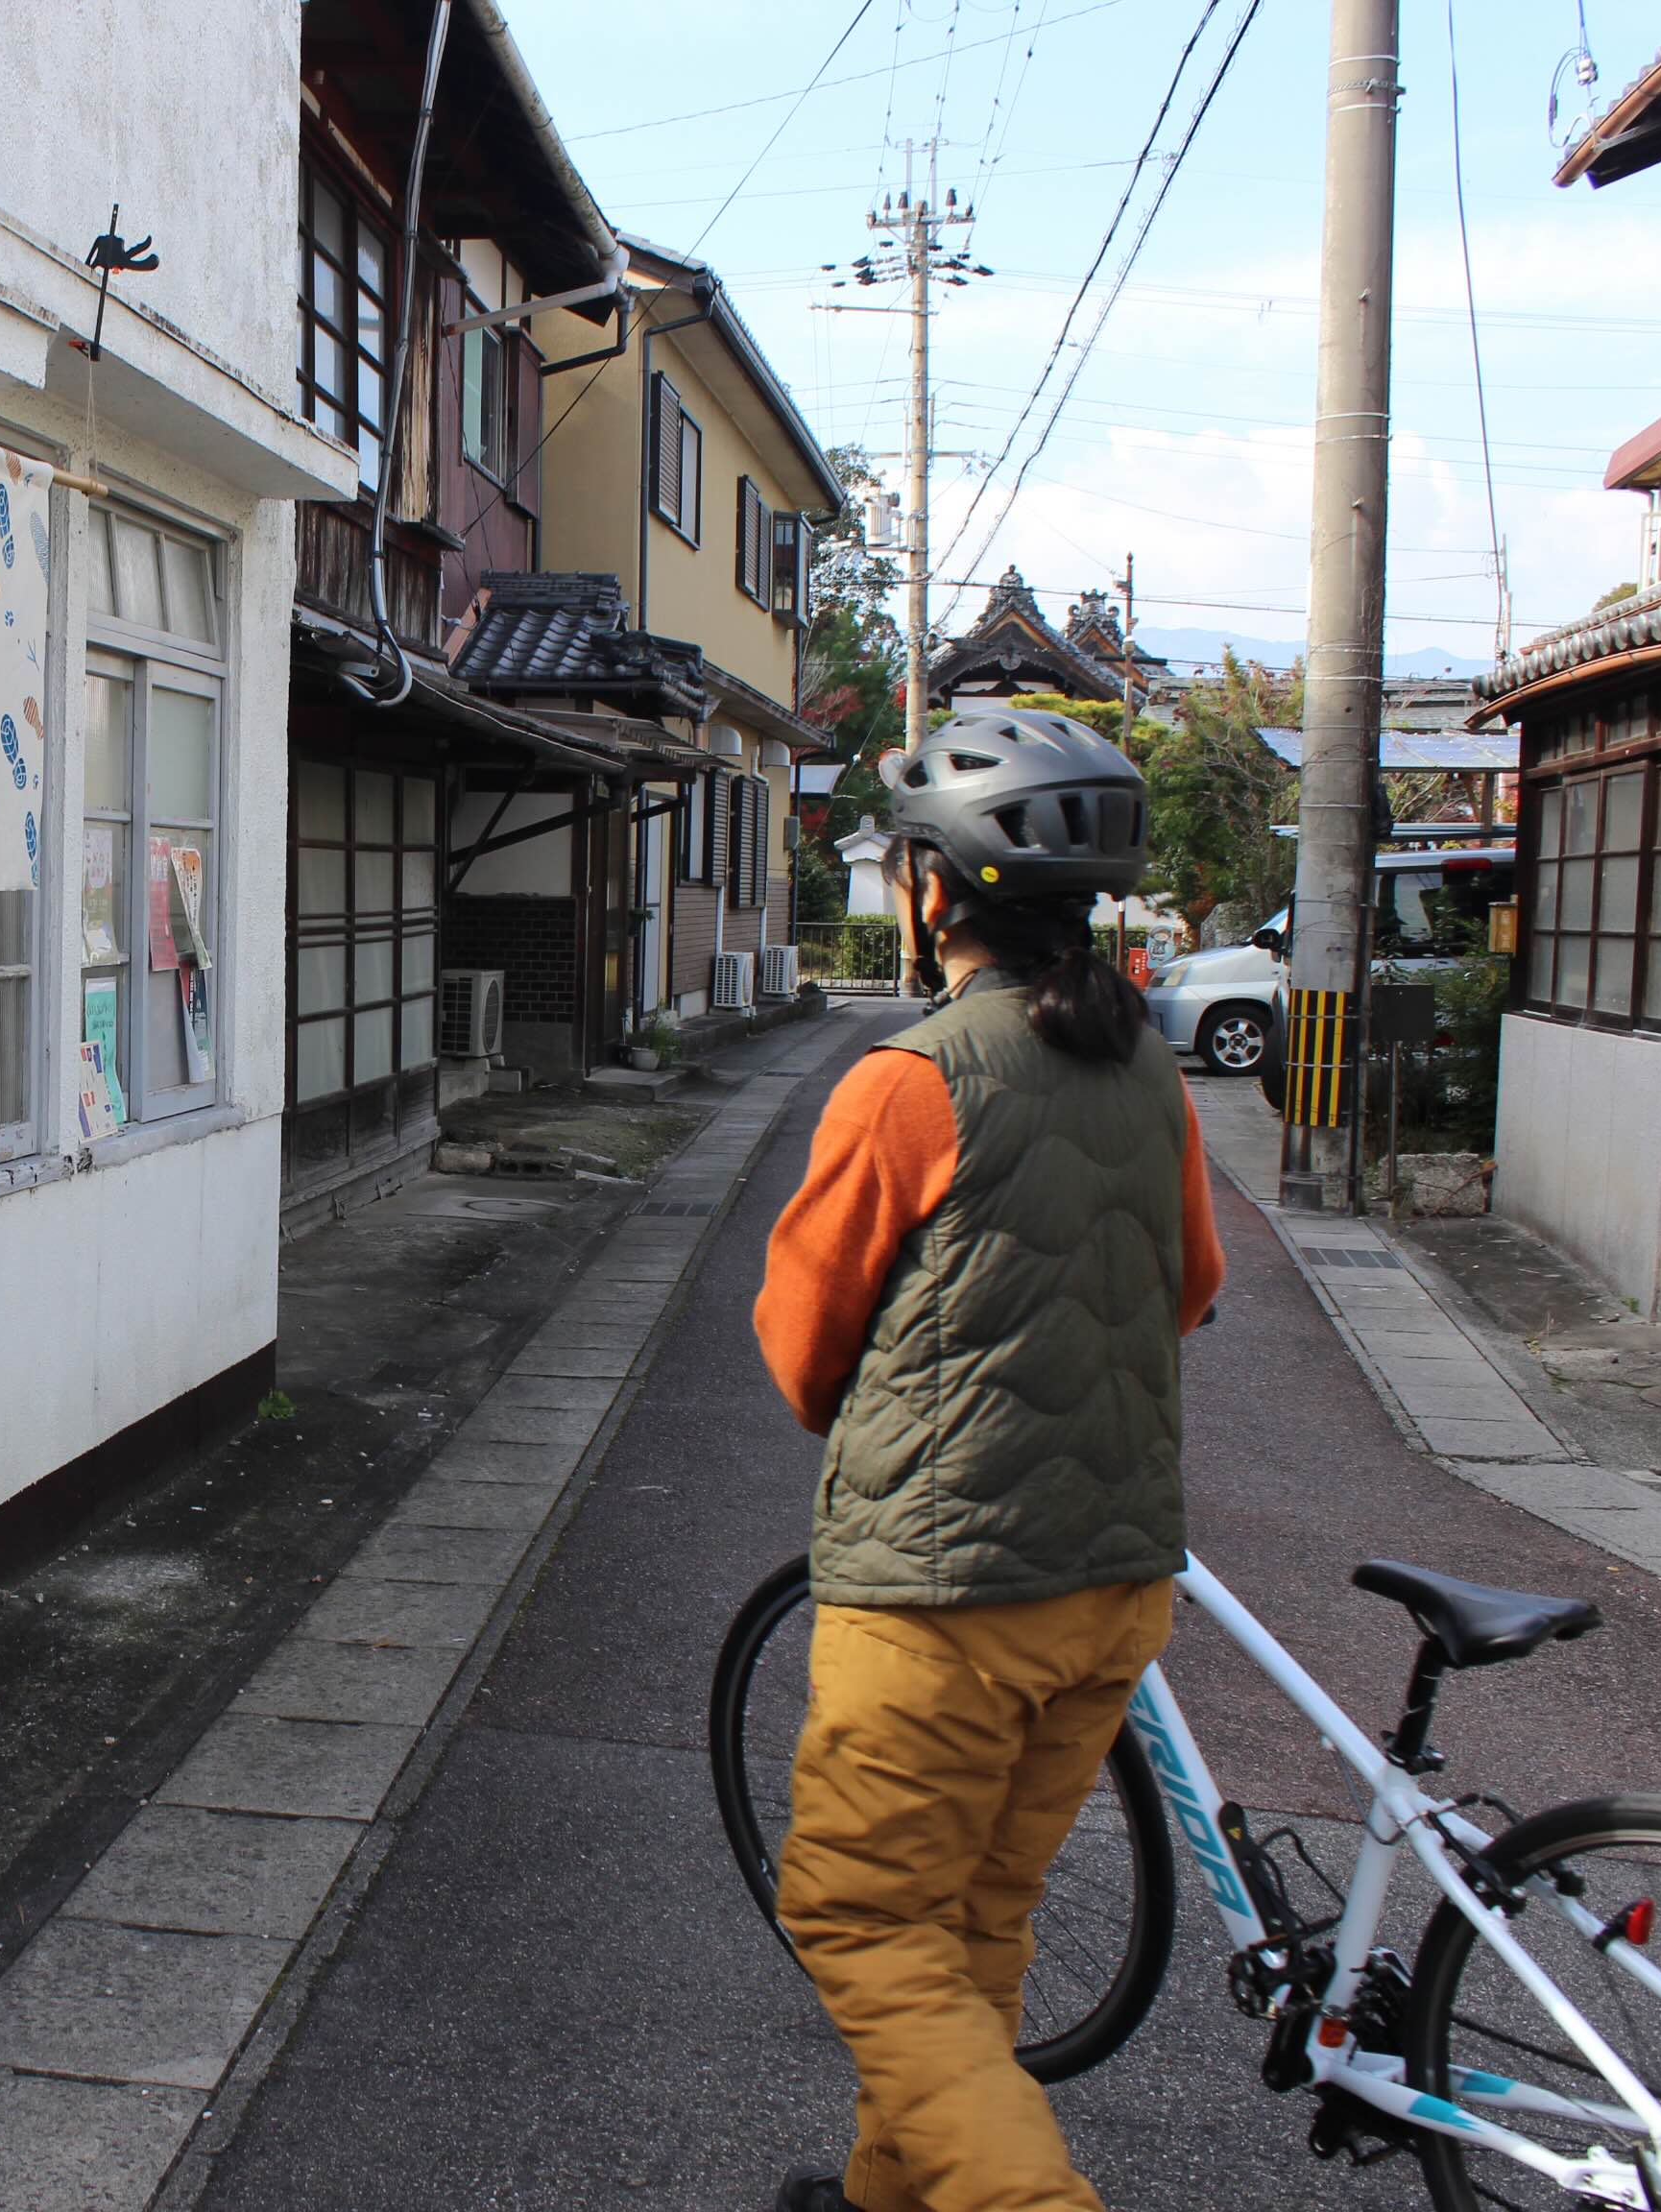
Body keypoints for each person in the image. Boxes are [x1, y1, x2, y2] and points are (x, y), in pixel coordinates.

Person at [751, 710, 1226, 2212]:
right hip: (1115, 1589)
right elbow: (1194, 1286)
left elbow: (801, 1344)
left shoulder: (912, 1081)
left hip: (945, 1602)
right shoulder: (1146, 1064)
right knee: (974, 1927)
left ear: (934, 891)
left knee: (864, 1921)